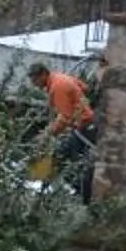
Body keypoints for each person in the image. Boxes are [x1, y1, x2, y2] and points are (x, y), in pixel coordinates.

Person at [27, 59, 96, 199]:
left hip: (83, 128)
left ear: (43, 75)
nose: (34, 84)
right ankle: (40, 184)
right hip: (85, 125)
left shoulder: (57, 86)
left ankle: (83, 199)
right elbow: (84, 87)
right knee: (63, 156)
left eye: (35, 80)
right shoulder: (60, 78)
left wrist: (47, 134)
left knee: (73, 164)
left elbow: (65, 117)